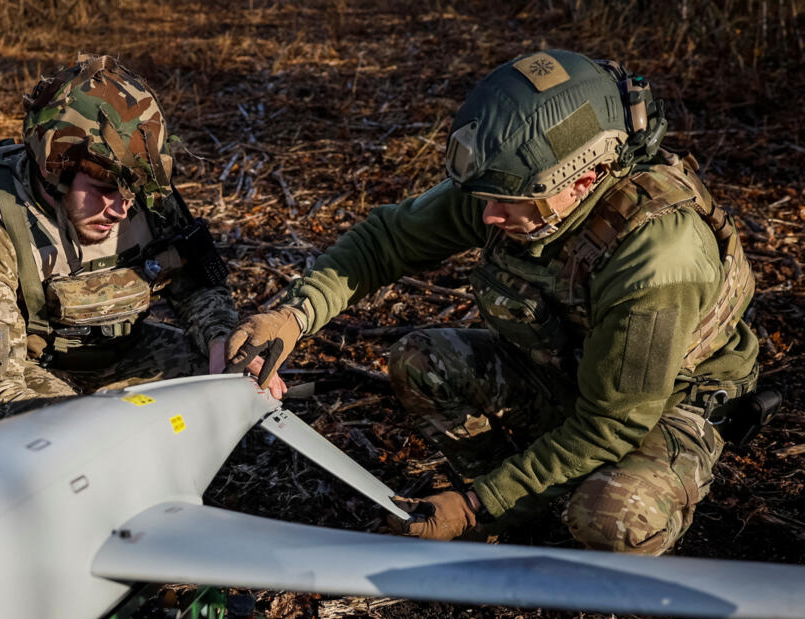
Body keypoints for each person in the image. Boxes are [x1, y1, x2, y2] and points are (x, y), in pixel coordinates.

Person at [227, 50, 761, 555]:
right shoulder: (515, 186)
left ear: (585, 179)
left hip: (664, 404)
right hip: (570, 372)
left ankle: (509, 500)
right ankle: (519, 496)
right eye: (486, 198)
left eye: (507, 202)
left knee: (613, 518)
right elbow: (386, 241)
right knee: (422, 362)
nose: (487, 217)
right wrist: (292, 317)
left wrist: (476, 508)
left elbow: (613, 424)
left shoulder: (656, 255)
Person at [0, 55, 264, 429]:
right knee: (57, 439)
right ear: (53, 169)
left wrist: (220, 340)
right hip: (31, 372)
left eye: (132, 193)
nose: (122, 210)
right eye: (104, 190)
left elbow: (196, 288)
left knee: (237, 385)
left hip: (126, 355)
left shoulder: (142, 193)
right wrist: (93, 425)